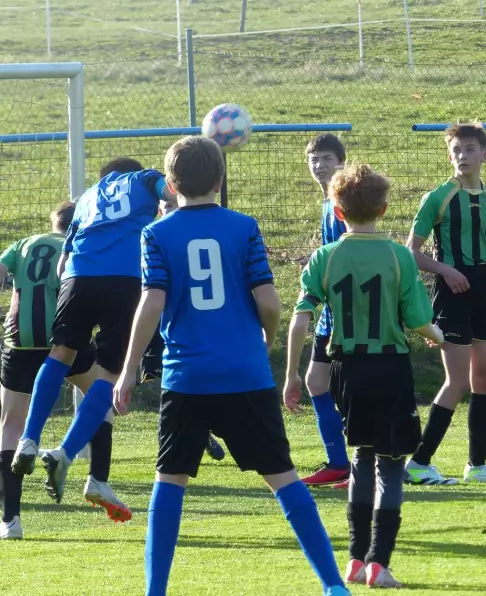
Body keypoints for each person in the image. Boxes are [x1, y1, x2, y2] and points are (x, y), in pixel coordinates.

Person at [113, 136, 348, 596]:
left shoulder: (156, 234)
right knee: (282, 476)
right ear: (220, 180)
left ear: (171, 182)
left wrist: (128, 369)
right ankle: (333, 585)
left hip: (187, 376)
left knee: (170, 480)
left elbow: (152, 301)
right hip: (245, 373)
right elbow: (269, 300)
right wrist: (267, 340)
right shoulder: (244, 227)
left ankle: (155, 591)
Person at [286, 164, 444, 589]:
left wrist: (292, 375)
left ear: (337, 211)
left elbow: (301, 320)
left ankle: (354, 560)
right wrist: (440, 338)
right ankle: (379, 562)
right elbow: (418, 319)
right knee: (392, 466)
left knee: (361, 457)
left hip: (345, 369)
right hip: (389, 366)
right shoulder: (398, 256)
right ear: (384, 208)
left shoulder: (325, 256)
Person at [0, 201, 130, 538]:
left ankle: (10, 522)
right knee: (100, 396)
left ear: (53, 222)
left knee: (11, 426)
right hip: (66, 341)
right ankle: (98, 479)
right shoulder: (81, 244)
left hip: (21, 343)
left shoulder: (24, 244)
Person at [12, 157, 175, 506]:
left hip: (77, 277)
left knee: (61, 353)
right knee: (112, 373)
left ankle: (28, 438)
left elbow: (62, 259)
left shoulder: (86, 197)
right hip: (124, 278)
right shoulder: (145, 179)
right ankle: (66, 452)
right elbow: (171, 195)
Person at [405, 122, 486, 485]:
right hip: (452, 294)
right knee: (457, 380)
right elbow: (412, 253)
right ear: (449, 155)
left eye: (470, 149)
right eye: (456, 150)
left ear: (485, 154)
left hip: (485, 291)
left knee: (483, 376)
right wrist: (446, 271)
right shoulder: (437, 197)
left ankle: (478, 465)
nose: (462, 156)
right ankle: (419, 462)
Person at [140, 200, 225, 462]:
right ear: (158, 209)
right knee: (163, 383)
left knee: (202, 382)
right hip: (159, 324)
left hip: (192, 325)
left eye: (175, 206)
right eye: (167, 206)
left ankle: (205, 430)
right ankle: (189, 438)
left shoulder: (191, 239)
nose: (171, 210)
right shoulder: (152, 236)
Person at [299, 134, 352, 488]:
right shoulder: (325, 202)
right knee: (316, 382)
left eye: (327, 158)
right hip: (329, 309)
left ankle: (372, 460)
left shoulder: (344, 202)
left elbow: (350, 252)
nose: (320, 165)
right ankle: (338, 463)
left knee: (352, 388)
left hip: (348, 309)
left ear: (341, 163)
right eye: (314, 159)